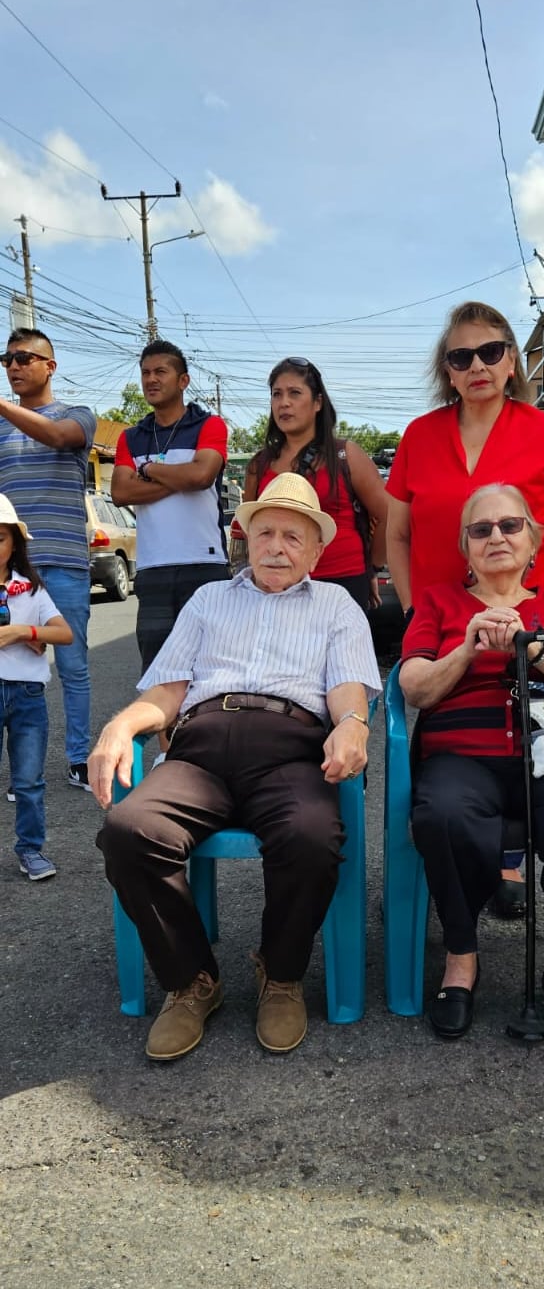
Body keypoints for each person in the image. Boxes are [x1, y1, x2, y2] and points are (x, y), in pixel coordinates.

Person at [90, 473, 382, 1061]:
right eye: (265, 532)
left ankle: (281, 972)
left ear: (316, 551)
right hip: (200, 749)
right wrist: (119, 726)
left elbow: (349, 687)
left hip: (290, 751)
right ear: (244, 538)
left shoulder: (336, 605)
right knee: (129, 831)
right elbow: (168, 691)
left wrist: (353, 724)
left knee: (311, 836)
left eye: (293, 537)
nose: (277, 547)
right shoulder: (209, 599)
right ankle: (192, 979)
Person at [400, 483, 544, 1045]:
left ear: (532, 541)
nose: (496, 537)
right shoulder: (438, 602)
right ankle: (461, 959)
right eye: (480, 530)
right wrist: (466, 650)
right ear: (466, 547)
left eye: (510, 526)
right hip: (462, 756)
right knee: (444, 815)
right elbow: (414, 686)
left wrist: (534, 649)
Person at [386, 300, 544, 915]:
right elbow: (396, 536)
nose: (477, 365)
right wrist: (414, 610)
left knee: (535, 740)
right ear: (447, 370)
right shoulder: (419, 436)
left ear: (511, 362)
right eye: (461, 356)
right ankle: (463, 866)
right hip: (444, 623)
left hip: (535, 619)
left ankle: (505, 864)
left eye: (490, 351)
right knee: (452, 748)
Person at [0, 328, 96, 789]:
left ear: (49, 366)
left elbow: (59, 438)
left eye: (23, 358)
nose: (14, 367)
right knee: (9, 666)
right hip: (11, 566)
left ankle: (79, 758)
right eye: (7, 360)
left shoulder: (77, 415)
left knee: (73, 666)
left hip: (65, 560)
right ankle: (22, 773)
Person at [111, 339, 231, 674]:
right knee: (158, 670)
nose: (151, 379)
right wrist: (181, 478)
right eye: (145, 372)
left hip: (205, 563)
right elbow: (120, 491)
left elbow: (202, 475)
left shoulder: (209, 425)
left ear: (183, 380)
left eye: (160, 372)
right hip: (153, 567)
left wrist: (148, 470)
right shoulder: (131, 437)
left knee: (211, 668)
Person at [244, 357, 388, 611]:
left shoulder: (346, 455)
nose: (284, 403)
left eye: (295, 393)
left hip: (343, 583)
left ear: (318, 402)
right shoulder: (260, 464)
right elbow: (252, 529)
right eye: (277, 394)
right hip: (278, 586)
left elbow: (390, 515)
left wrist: (372, 568)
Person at [0, 495, 73, 879]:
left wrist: (24, 632)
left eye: (0, 538)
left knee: (28, 780)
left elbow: (64, 633)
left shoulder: (30, 588)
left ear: (14, 543)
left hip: (27, 695)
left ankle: (30, 850)